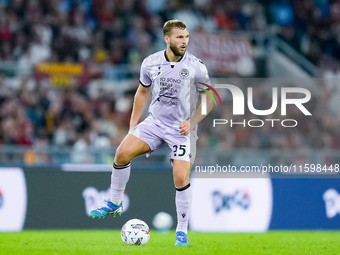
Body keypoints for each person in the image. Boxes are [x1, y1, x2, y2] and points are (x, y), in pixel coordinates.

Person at [89, 19, 214, 246]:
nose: (184, 42)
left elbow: (210, 99)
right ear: (167, 39)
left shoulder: (197, 67)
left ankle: (182, 232)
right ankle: (115, 202)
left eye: (186, 37)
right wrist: (133, 124)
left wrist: (192, 121)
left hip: (181, 129)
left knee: (180, 177)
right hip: (155, 123)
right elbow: (142, 93)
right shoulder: (150, 63)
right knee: (121, 153)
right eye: (179, 37)